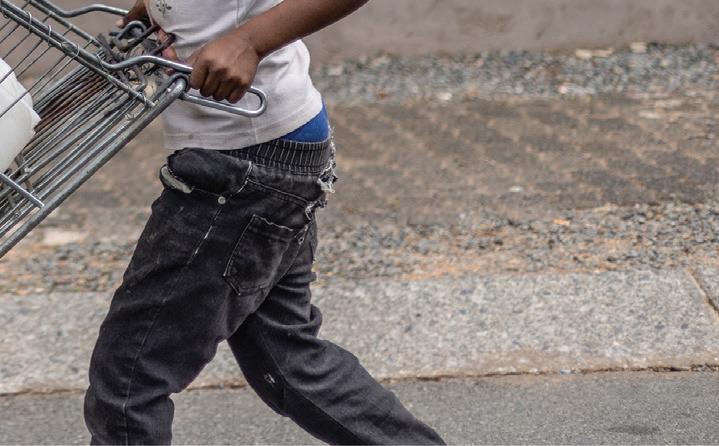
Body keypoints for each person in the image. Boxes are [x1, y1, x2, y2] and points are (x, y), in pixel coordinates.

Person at [83, 1, 446, 444]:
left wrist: (249, 42)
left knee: (129, 375)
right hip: (266, 150)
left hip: (245, 160)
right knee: (289, 363)